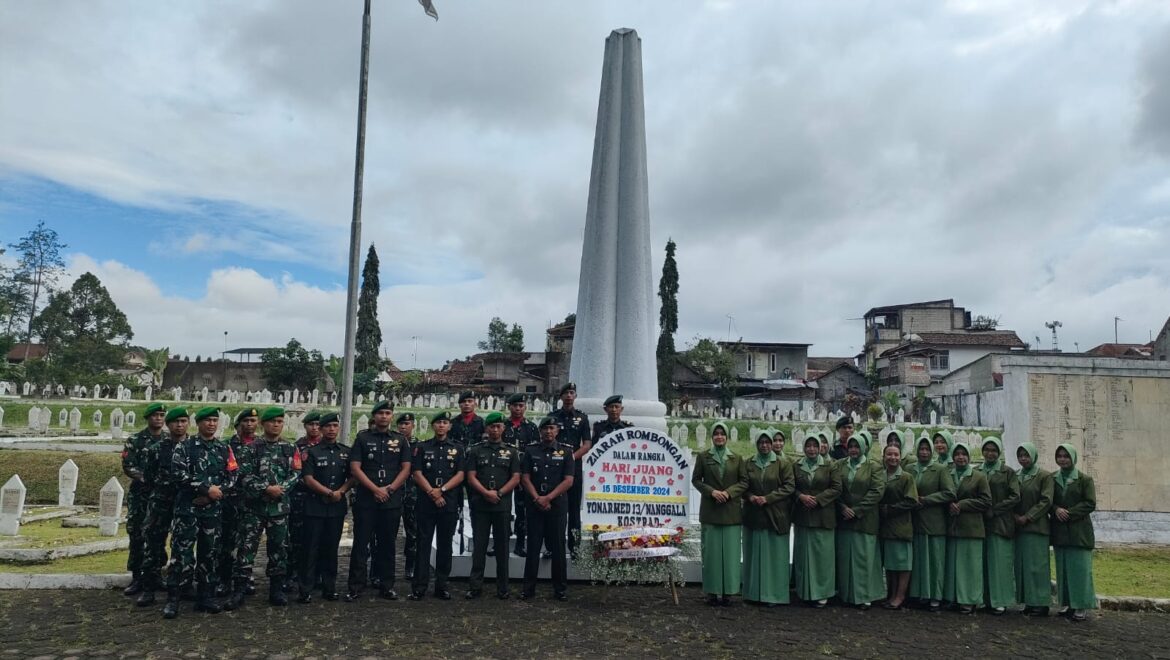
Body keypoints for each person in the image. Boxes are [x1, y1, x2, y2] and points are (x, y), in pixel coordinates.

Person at [162, 406, 237, 619]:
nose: (212, 424)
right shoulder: (184, 447)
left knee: (209, 554)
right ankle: (173, 599)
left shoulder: (224, 448)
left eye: (215, 420)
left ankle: (206, 597)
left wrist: (215, 493)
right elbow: (178, 474)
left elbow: (233, 475)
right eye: (208, 420)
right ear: (199, 423)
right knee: (181, 556)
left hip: (212, 511)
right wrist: (205, 489)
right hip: (188, 510)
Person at [227, 406, 300, 609]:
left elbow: (296, 473)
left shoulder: (290, 448)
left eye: (279, 421)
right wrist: (266, 488)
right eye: (271, 421)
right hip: (253, 508)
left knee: (279, 549)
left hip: (279, 509)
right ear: (263, 424)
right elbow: (244, 475)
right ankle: (239, 590)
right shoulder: (250, 449)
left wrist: (281, 488)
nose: (275, 425)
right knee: (246, 549)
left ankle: (276, 590)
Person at [346, 400, 412, 601]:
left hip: (390, 500)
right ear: (374, 416)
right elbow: (355, 467)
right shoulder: (362, 438)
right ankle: (356, 586)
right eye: (381, 413)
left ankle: (386, 585)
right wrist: (375, 489)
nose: (384, 416)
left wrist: (389, 489)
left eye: (388, 413)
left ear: (392, 416)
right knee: (361, 544)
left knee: (387, 545)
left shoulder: (400, 440)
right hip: (367, 498)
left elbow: (406, 468)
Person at [463, 412, 522, 600]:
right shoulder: (475, 450)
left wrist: (500, 493)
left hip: (502, 505)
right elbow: (471, 476)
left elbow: (516, 477)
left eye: (498, 426)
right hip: (481, 504)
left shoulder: (512, 451)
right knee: (479, 547)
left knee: (502, 548)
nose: (495, 430)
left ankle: (503, 587)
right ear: (486, 429)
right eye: (491, 427)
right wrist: (485, 493)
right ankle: (475, 587)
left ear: (503, 428)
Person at [409, 411, 465, 601]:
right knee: (423, 544)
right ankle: (419, 586)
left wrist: (442, 490)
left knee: (445, 545)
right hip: (426, 502)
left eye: (445, 422)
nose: (441, 426)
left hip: (448, 502)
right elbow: (416, 473)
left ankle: (441, 586)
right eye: (438, 422)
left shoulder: (458, 448)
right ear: (433, 426)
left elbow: (460, 474)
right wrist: (432, 493)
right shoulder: (422, 447)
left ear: (449, 426)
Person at [692, 421, 748, 606]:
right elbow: (696, 480)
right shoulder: (703, 456)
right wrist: (711, 492)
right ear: (711, 436)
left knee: (731, 554)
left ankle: (729, 592)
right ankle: (712, 591)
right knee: (712, 554)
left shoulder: (737, 458)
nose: (719, 437)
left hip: (731, 511)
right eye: (716, 434)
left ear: (727, 437)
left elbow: (744, 482)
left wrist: (729, 492)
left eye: (722, 434)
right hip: (711, 510)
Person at [135, 407, 187, 607]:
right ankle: (149, 587)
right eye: (176, 421)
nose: (179, 425)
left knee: (182, 547)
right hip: (160, 503)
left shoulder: (193, 447)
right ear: (169, 424)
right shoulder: (156, 449)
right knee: (153, 545)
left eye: (183, 421)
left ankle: (181, 586)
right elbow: (147, 478)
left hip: (184, 504)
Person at [297, 412, 351, 603]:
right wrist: (328, 492)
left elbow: (353, 476)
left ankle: (330, 587)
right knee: (310, 549)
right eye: (327, 426)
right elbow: (308, 478)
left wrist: (341, 492)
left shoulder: (345, 451)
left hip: (336, 507)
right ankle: (305, 589)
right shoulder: (311, 452)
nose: (331, 429)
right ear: (321, 429)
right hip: (315, 506)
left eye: (335, 426)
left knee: (330, 549)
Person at [520, 416, 575, 601]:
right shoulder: (530, 450)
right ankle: (528, 589)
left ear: (557, 431)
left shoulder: (566, 452)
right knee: (533, 547)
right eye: (545, 428)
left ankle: (560, 589)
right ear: (540, 431)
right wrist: (537, 498)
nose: (548, 432)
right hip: (535, 505)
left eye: (552, 428)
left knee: (558, 548)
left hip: (557, 505)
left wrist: (548, 498)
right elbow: (525, 478)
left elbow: (568, 481)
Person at [742, 433, 795, 606]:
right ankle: (753, 593)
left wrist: (769, 498)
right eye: (761, 442)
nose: (764, 445)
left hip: (776, 515)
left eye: (767, 442)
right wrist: (750, 497)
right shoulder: (749, 463)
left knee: (775, 556)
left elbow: (789, 486)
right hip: (754, 514)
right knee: (754, 554)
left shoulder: (782, 463)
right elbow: (743, 485)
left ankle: (774, 594)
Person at [121, 402, 167, 597]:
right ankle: (137, 576)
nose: (158, 418)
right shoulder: (135, 440)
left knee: (159, 535)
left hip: (162, 496)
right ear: (148, 418)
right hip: (140, 496)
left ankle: (156, 574)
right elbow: (128, 465)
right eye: (155, 415)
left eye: (162, 415)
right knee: (137, 534)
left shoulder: (168, 440)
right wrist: (146, 478)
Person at [835, 433, 886, 609]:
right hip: (844, 518)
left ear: (863, 447)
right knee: (845, 558)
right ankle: (846, 594)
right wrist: (842, 507)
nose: (853, 450)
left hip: (865, 519)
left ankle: (865, 595)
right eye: (850, 447)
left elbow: (877, 491)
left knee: (864, 558)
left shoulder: (874, 466)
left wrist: (857, 510)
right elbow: (834, 488)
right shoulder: (839, 465)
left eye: (857, 446)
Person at [908, 433, 955, 612]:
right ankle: (920, 594)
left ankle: (935, 596)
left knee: (935, 560)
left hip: (934, 521)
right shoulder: (911, 468)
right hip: (916, 521)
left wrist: (927, 499)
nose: (924, 452)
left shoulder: (940, 469)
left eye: (927, 449)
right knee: (920, 559)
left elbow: (949, 493)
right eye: (921, 449)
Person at [793, 434, 841, 607]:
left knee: (823, 556)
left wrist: (818, 499)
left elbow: (836, 488)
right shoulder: (797, 465)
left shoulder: (830, 465)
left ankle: (822, 592)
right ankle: (805, 590)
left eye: (815, 445)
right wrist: (801, 496)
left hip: (823, 516)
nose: (812, 449)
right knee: (804, 555)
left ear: (820, 447)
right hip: (804, 516)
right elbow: (792, 487)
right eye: (808, 445)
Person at [945, 442, 992, 614]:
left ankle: (969, 600)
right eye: (957, 454)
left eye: (964, 454)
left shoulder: (978, 476)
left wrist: (963, 504)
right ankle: (954, 598)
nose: (960, 457)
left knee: (970, 566)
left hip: (972, 527)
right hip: (952, 527)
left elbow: (986, 501)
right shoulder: (947, 474)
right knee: (953, 565)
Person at [1051, 444, 1096, 622]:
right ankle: (1068, 603)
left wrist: (1069, 512)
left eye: (1066, 456)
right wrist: (1055, 510)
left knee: (1080, 569)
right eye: (1060, 456)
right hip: (1060, 531)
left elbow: (1090, 503)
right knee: (1063, 570)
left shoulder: (1084, 479)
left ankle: (1081, 605)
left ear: (1073, 458)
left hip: (1079, 532)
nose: (1062, 459)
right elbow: (1048, 499)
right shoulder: (1052, 479)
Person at [217, 408, 258, 596]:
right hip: (230, 502)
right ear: (238, 424)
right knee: (226, 542)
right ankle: (224, 579)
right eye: (246, 420)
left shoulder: (261, 446)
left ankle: (245, 577)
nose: (250, 424)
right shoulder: (226, 446)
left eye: (253, 420)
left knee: (248, 543)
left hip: (252, 503)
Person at [550, 382, 591, 559]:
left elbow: (587, 444)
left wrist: (572, 458)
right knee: (555, 510)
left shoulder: (582, 418)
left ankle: (575, 547)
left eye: (572, 393)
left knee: (574, 510)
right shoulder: (552, 417)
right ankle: (552, 547)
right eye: (565, 393)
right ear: (561, 397)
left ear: (575, 396)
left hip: (573, 468)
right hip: (554, 469)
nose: (568, 396)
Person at [979, 436, 1019, 615]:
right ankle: (985, 598)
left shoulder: (1007, 472)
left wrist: (996, 509)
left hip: (1000, 522)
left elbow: (1015, 496)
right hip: (980, 522)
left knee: (999, 562)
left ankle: (1000, 600)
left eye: (994, 450)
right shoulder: (976, 470)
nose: (990, 453)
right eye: (987, 450)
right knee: (983, 562)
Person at [1013, 442, 1054, 616]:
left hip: (1036, 528)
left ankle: (1041, 602)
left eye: (1026, 455)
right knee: (1023, 566)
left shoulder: (1044, 476)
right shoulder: (1016, 475)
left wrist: (1028, 516)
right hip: (1019, 529)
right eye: (1020, 455)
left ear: (1033, 456)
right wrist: (1014, 516)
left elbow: (1046, 501)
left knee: (1038, 566)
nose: (1023, 458)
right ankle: (1029, 601)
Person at [286, 409, 321, 593]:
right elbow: (294, 472)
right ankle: (293, 574)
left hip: (322, 499)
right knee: (297, 538)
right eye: (311, 424)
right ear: (305, 426)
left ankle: (317, 574)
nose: (315, 428)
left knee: (319, 538)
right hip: (301, 497)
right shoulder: (297, 447)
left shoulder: (327, 446)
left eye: (317, 424)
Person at [879, 444, 918, 609]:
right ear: (884, 456)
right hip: (885, 526)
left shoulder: (906, 477)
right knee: (891, 563)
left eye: (896, 454)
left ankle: (900, 596)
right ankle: (891, 594)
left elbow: (912, 500)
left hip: (901, 524)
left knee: (902, 564)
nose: (892, 458)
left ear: (900, 457)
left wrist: (890, 509)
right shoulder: (880, 475)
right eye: (889, 454)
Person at [502, 393, 538, 557]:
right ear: (509, 407)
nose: (518, 409)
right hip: (504, 473)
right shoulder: (502, 425)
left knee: (522, 510)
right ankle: (500, 542)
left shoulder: (531, 428)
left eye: (521, 406)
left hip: (524, 474)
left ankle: (520, 543)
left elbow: (535, 453)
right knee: (503, 509)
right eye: (515, 405)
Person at [396, 412, 420, 581]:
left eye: (407, 424)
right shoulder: (392, 444)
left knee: (413, 532)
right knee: (388, 531)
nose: (404, 427)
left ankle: (410, 565)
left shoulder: (419, 446)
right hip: (394, 492)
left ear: (413, 425)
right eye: (401, 424)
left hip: (413, 493)